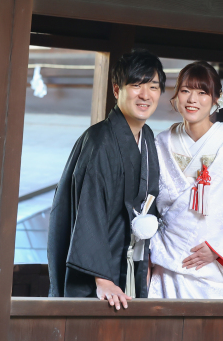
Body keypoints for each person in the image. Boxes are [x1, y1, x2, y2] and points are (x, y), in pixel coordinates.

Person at [47, 49, 165, 309]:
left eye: (153, 87)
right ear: (116, 89)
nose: (145, 95)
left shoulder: (147, 138)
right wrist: (102, 279)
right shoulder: (99, 141)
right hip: (101, 278)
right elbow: (89, 210)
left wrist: (144, 264)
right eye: (136, 85)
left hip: (129, 266)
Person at [148, 61, 223, 299]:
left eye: (202, 92)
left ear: (216, 99)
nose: (192, 99)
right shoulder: (159, 144)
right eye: (185, 91)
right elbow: (145, 204)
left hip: (214, 268)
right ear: (176, 97)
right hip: (168, 263)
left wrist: (219, 249)